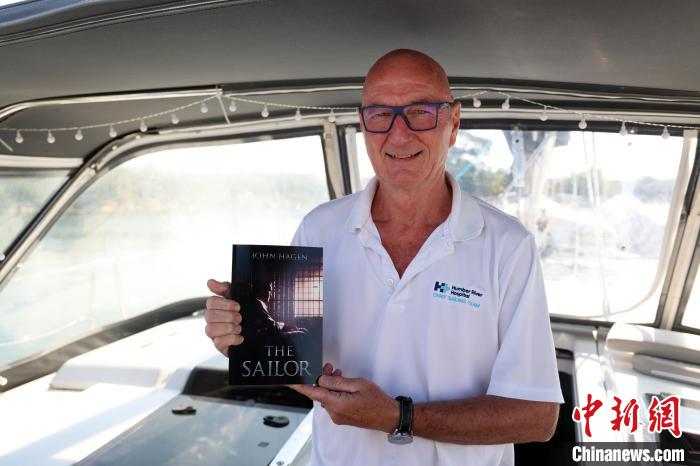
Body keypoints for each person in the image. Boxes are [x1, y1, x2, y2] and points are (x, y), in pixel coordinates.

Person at [205, 49, 563, 466]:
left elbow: (537, 417)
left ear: (453, 123)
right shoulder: (319, 229)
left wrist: (398, 417)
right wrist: (245, 338)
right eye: (380, 115)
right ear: (362, 125)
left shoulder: (508, 246)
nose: (399, 135)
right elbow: (290, 358)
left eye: (420, 112)